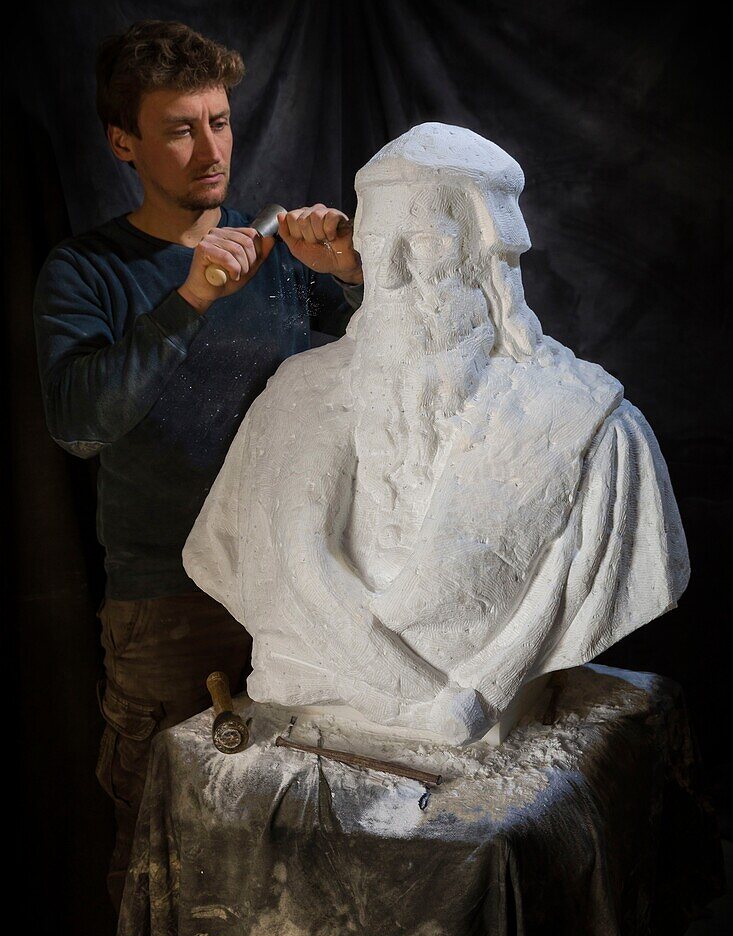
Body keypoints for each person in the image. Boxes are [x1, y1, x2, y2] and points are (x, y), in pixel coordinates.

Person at [183, 122, 689, 745]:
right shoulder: (292, 398)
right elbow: (228, 555)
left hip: (461, 705)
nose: (389, 274)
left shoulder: (596, 431)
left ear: (486, 255)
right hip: (342, 700)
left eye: (423, 242)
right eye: (375, 241)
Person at [33, 19, 364, 913]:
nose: (209, 149)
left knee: (296, 862)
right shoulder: (88, 271)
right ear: (123, 143)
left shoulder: (280, 265)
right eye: (179, 128)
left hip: (299, 594)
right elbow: (78, 426)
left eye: (218, 121)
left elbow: (383, 391)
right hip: (167, 611)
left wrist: (357, 281)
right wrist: (185, 299)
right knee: (169, 865)